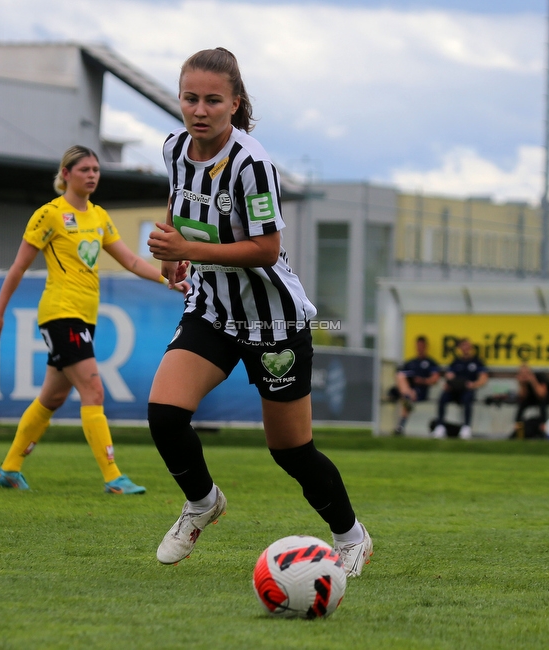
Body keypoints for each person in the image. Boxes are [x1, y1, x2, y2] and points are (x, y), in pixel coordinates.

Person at [145, 48, 372, 576]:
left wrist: (190, 252)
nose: (199, 110)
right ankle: (202, 504)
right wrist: (174, 251)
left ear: (235, 103)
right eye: (190, 98)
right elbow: (182, 208)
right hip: (213, 310)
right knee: (164, 413)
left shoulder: (252, 164)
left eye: (213, 100)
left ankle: (352, 536)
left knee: (290, 450)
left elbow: (266, 249)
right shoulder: (174, 148)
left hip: (273, 322)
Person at [0, 145, 186, 493]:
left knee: (52, 398)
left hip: (83, 317)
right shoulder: (49, 214)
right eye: (84, 169)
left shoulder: (99, 216)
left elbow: (131, 261)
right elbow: (18, 267)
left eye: (96, 169)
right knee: (93, 389)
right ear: (66, 175)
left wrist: (167, 280)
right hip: (61, 314)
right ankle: (113, 478)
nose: (92, 175)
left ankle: (9, 469)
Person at [433, 337, 488, 439]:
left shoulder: (477, 361)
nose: (465, 348)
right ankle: (440, 426)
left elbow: (483, 378)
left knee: (467, 399)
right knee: (443, 397)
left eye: (467, 346)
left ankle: (466, 427)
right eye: (463, 346)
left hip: (468, 390)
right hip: (455, 390)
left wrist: (473, 385)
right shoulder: (456, 362)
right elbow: (449, 375)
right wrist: (448, 383)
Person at [393, 335, 442, 436]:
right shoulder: (411, 363)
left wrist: (422, 380)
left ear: (425, 346)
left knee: (406, 397)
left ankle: (401, 425)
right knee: (400, 377)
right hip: (410, 390)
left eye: (422, 345)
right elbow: (401, 376)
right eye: (418, 345)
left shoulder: (430, 362)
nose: (420, 348)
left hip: (421, 390)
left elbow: (435, 378)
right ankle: (407, 396)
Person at [513, 363, 549, 437]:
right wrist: (523, 384)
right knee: (522, 404)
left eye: (526, 373)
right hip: (533, 398)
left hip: (548, 396)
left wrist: (533, 381)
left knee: (542, 403)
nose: (524, 375)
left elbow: (542, 394)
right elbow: (522, 396)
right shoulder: (522, 381)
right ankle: (519, 428)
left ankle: (543, 426)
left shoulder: (539, 377)